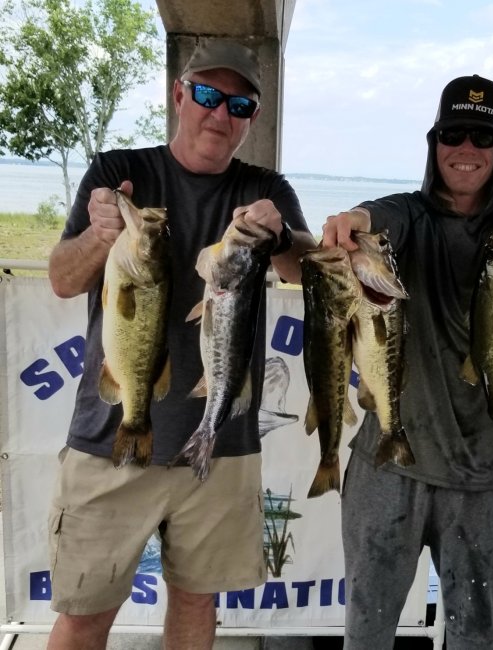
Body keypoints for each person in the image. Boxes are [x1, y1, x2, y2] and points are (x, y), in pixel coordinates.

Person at [46, 38, 315, 650]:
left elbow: (303, 267)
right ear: (178, 94)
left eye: (239, 105)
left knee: (197, 601)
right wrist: (100, 234)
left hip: (221, 446)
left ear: (252, 118)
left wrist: (279, 237)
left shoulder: (265, 186)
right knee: (84, 613)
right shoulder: (118, 172)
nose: (220, 114)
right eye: (207, 95)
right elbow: (63, 279)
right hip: (110, 438)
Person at [321, 74, 493, 649]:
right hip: (387, 467)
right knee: (367, 631)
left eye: (482, 138)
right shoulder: (406, 216)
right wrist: (355, 222)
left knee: (475, 635)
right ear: (434, 144)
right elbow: (378, 217)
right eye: (453, 134)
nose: (466, 149)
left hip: (482, 475)